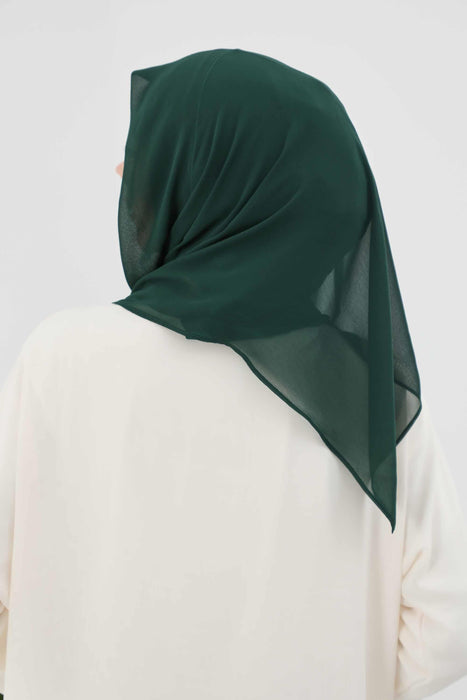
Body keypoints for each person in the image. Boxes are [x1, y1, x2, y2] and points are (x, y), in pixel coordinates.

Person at [0, 48, 467, 700]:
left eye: (149, 155)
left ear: (205, 180)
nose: (122, 173)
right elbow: (447, 627)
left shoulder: (59, 358)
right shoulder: (368, 399)